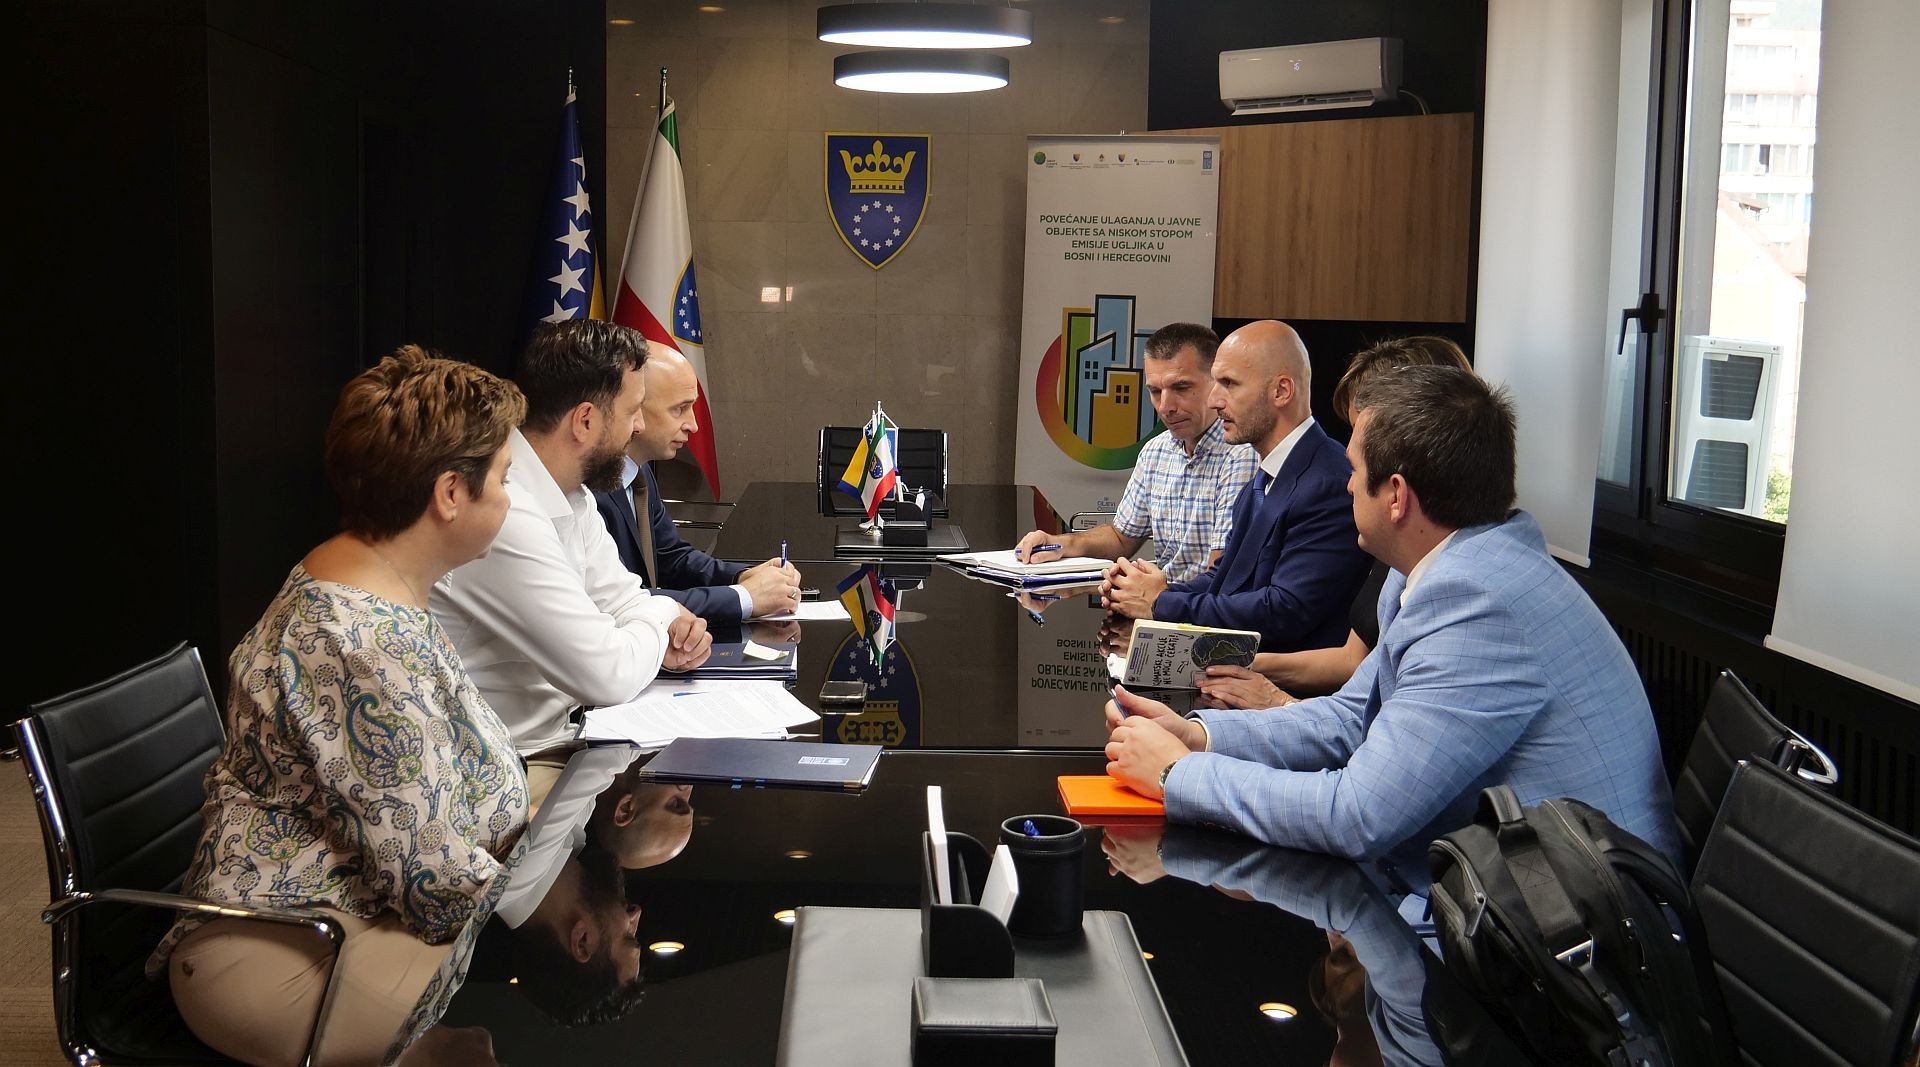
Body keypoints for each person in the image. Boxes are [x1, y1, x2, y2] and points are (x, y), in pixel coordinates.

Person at [1103, 366, 1680, 877]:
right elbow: (1355, 715)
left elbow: (1357, 816)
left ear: (1396, 496)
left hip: (1579, 933)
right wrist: (1200, 736)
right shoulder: (1446, 569)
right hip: (1509, 888)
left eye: (1355, 469)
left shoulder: (1477, 606)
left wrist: (1177, 775)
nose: (1348, 484)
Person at [151, 348, 532, 1067]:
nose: (511, 500)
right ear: (451, 492)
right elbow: (431, 881)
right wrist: (544, 889)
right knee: (528, 1020)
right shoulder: (358, 641)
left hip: (345, 911)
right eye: (506, 479)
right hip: (283, 962)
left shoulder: (376, 584)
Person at [434, 321, 712, 797]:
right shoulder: (505, 507)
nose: (639, 426)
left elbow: (624, 601)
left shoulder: (573, 493)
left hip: (563, 743)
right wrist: (666, 612)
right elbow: (606, 674)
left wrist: (648, 623)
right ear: (585, 420)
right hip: (504, 769)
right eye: (632, 411)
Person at [1197, 335, 1476, 709]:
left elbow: (1375, 732)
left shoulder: (1463, 591)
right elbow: (1355, 672)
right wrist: (1230, 667)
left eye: (1368, 437)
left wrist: (1278, 703)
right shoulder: (1406, 561)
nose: (1351, 477)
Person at [1103, 319, 1372, 652]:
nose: (1214, 400)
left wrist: (1161, 603)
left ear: (1281, 391)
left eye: (1228, 384)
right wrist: (1138, 593)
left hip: (1277, 678)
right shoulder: (1264, 479)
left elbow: (1284, 611)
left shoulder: (1327, 482)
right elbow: (1225, 578)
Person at [1012, 323, 1255, 584]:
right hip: (1162, 603)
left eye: (1181, 388)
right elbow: (1121, 538)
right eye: (1155, 391)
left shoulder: (1242, 454)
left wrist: (1149, 596)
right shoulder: (1156, 451)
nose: (1165, 407)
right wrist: (1059, 544)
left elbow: (1220, 576)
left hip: (1194, 606)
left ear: (1217, 382)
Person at [595, 341, 801, 623]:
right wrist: (745, 597)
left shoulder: (639, 472)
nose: (693, 425)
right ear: (634, 407)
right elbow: (623, 602)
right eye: (679, 409)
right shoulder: (590, 487)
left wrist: (743, 576)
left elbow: (671, 557)